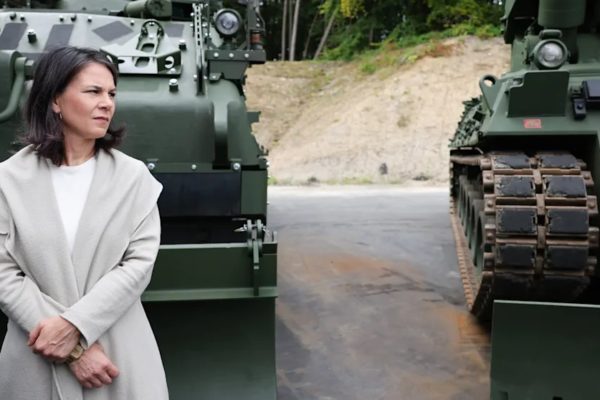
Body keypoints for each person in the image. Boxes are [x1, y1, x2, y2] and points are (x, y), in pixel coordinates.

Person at [0, 46, 169, 399]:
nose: (107, 103)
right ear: (55, 100)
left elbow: (138, 265)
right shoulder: (8, 180)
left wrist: (75, 328)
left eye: (111, 93)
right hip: (35, 353)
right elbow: (3, 271)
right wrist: (74, 348)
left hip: (117, 356)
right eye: (93, 91)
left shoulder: (133, 178)